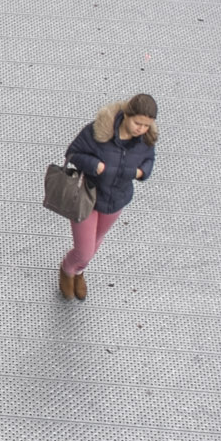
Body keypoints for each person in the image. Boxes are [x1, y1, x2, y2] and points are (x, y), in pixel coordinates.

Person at [60, 94, 158, 300]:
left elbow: (149, 159)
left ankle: (79, 272)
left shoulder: (145, 141)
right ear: (126, 115)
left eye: (146, 125)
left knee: (95, 243)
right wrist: (95, 166)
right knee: (84, 251)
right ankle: (67, 270)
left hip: (116, 202)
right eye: (137, 123)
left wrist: (141, 173)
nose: (141, 129)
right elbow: (73, 153)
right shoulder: (98, 132)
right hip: (87, 197)